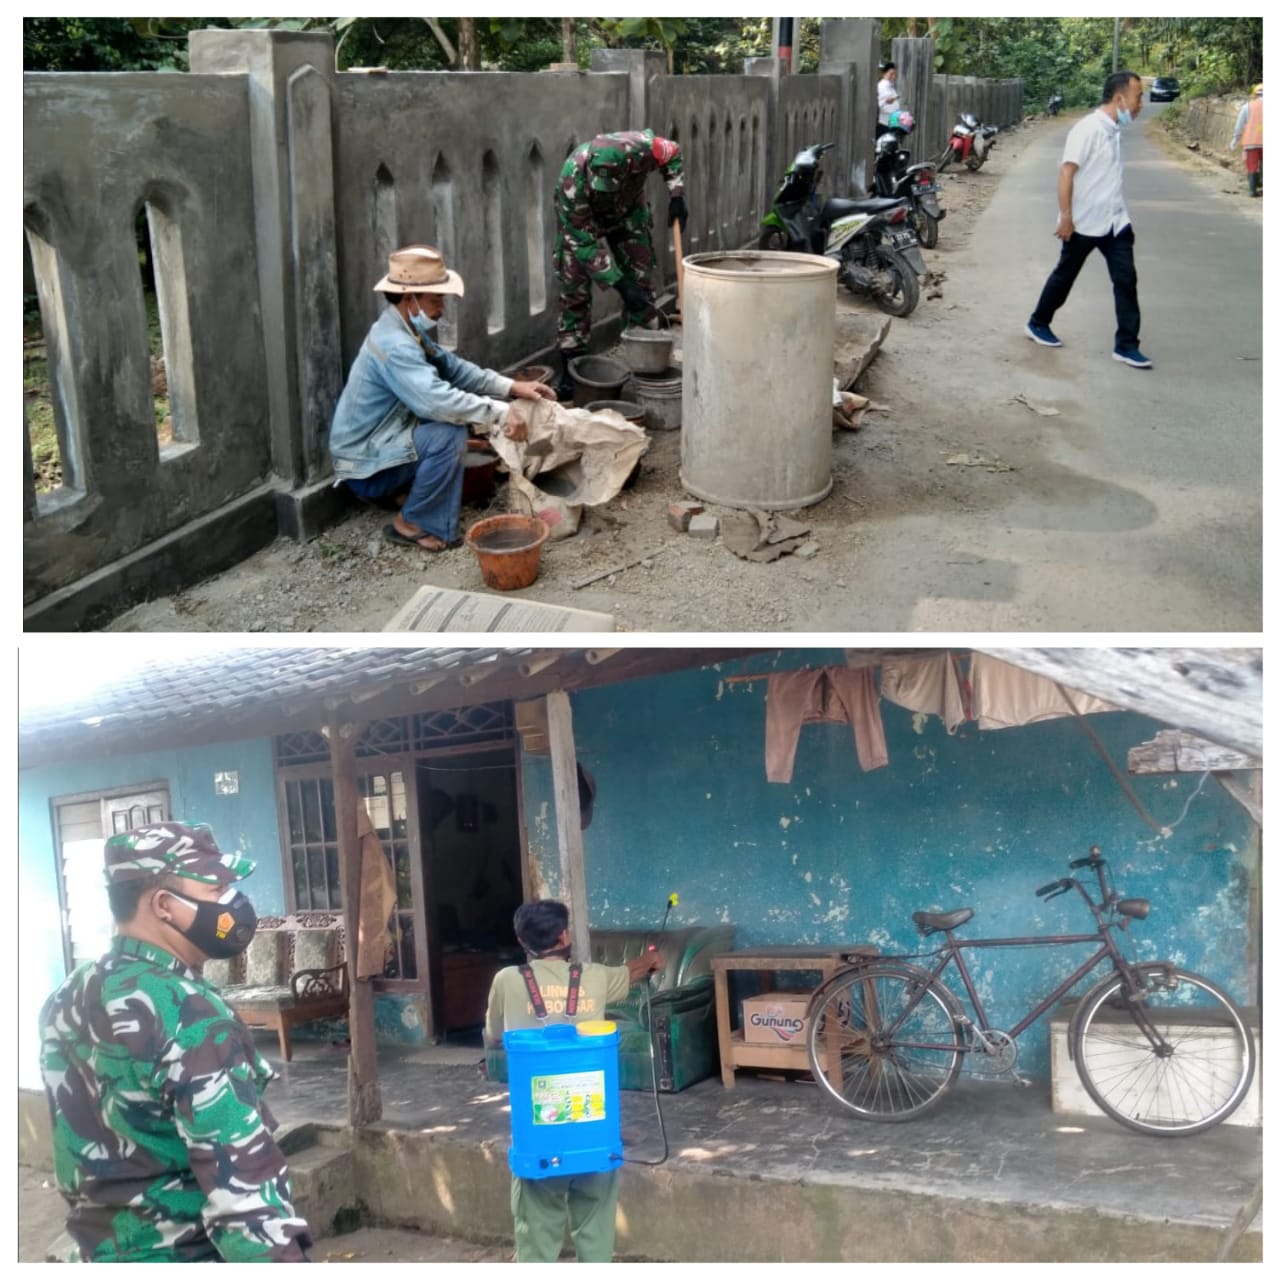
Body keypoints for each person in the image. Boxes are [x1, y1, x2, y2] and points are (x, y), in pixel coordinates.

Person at [37, 822, 312, 1263]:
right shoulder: (189, 1015)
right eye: (215, 890)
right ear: (164, 905)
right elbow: (245, 1204)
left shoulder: (68, 995)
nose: (233, 905)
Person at [329, 245, 557, 552]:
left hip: (379, 444)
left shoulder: (404, 328)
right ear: (410, 299)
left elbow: (454, 370)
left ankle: (401, 492)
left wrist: (511, 387)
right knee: (448, 434)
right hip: (364, 464)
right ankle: (411, 522)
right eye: (436, 298)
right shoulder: (396, 345)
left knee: (452, 421)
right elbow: (438, 402)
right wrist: (502, 413)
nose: (442, 306)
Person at [485, 899, 664, 1263]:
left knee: (535, 1226)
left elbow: (492, 1036)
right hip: (592, 1129)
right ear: (564, 935)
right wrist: (650, 962)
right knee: (596, 1220)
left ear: (522, 941)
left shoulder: (506, 981)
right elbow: (632, 971)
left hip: (538, 1133)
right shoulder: (594, 977)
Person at [1025, 70, 1152, 370]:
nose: (1140, 104)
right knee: (1065, 275)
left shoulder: (1115, 130)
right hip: (1083, 221)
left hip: (1115, 222)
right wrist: (1066, 217)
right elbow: (1066, 172)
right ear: (1120, 98)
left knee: (1126, 280)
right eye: (1138, 97)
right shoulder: (1088, 130)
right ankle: (1038, 322)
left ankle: (1127, 345)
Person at [553, 129, 687, 400]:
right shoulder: (572, 178)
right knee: (574, 288)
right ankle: (572, 363)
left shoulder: (643, 147)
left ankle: (643, 361)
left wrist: (677, 196)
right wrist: (618, 282)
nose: (604, 193)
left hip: (628, 213)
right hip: (584, 224)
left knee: (640, 281)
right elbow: (585, 245)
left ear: (629, 166)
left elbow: (672, 153)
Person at [1230, 84, 1263, 198]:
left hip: (1251, 141)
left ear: (1255, 94)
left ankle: (1252, 191)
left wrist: (1235, 139)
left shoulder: (1247, 106)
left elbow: (1240, 125)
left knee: (1252, 165)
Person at [877, 62, 900, 128]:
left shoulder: (890, 86)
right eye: (891, 74)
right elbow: (881, 103)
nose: (893, 76)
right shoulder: (881, 85)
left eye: (894, 74)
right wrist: (889, 100)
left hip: (892, 122)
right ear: (884, 73)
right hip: (885, 123)